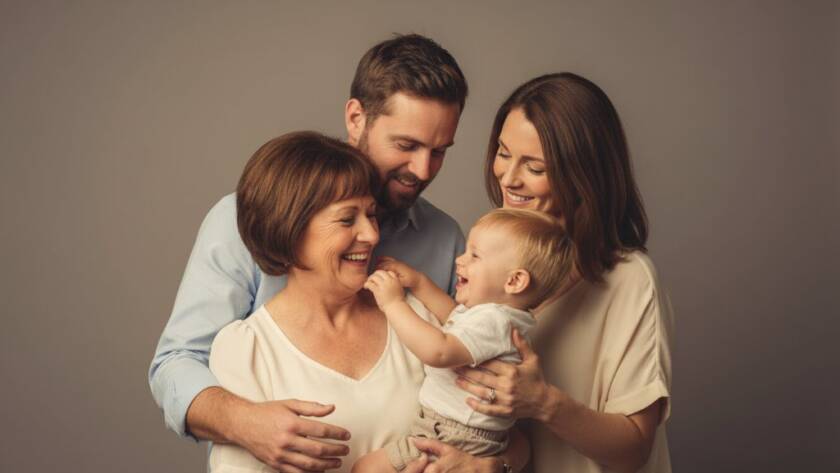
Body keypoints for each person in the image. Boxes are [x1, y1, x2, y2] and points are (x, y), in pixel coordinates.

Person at [149, 34, 525, 472]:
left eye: (438, 151)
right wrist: (246, 423)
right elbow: (178, 363)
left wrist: (493, 463)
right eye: (406, 145)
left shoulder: (444, 242)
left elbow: (478, 402)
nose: (423, 170)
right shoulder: (243, 221)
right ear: (356, 118)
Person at [453, 73, 675, 473]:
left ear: (582, 175)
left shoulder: (629, 280)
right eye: (503, 153)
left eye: (534, 166)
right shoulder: (490, 260)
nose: (508, 177)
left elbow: (634, 450)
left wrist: (543, 402)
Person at [354, 209, 575, 473]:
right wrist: (419, 281)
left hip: (455, 437)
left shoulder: (496, 320)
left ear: (514, 281)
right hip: (449, 430)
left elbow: (439, 351)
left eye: (474, 255)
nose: (460, 260)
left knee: (366, 469)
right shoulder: (489, 316)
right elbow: (451, 319)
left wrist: (392, 303)